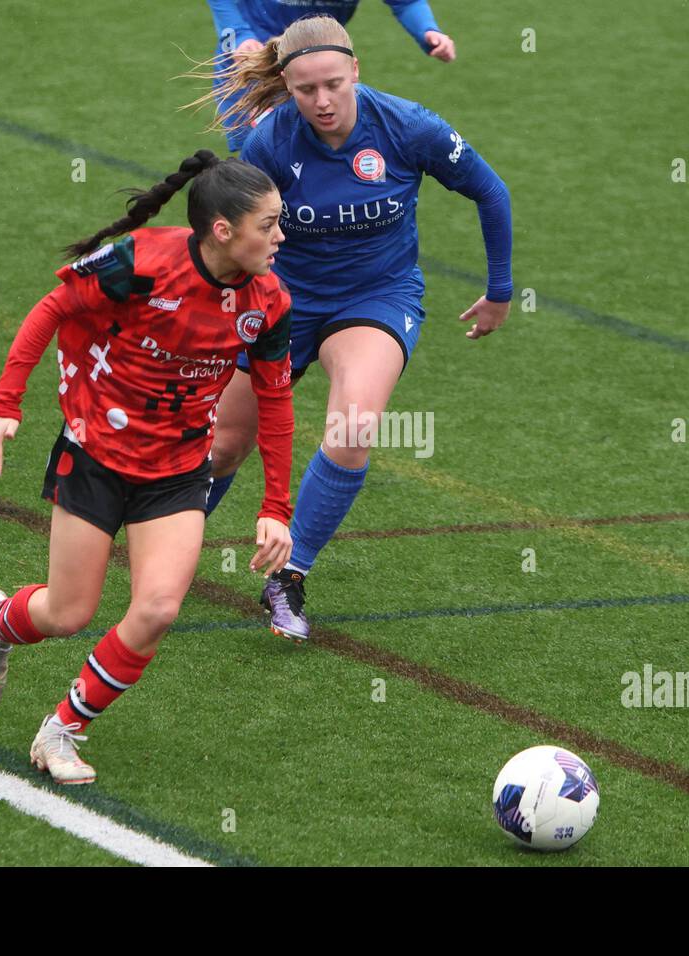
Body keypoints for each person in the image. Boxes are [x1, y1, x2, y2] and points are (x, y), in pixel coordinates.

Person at [0, 150, 295, 784]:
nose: (282, 236)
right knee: (67, 613)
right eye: (270, 224)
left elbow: (275, 402)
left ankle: (61, 731)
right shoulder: (142, 262)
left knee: (159, 609)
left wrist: (275, 507)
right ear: (222, 230)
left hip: (176, 471)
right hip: (96, 455)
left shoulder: (270, 302)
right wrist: (5, 404)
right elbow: (52, 309)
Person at [197, 15, 512, 642]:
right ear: (287, 86)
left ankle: (288, 576)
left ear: (356, 72)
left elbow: (491, 190)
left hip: (376, 297)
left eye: (333, 85)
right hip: (284, 301)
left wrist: (499, 290)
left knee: (352, 427)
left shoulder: (407, 126)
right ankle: (167, 539)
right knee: (224, 446)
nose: (322, 101)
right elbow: (234, 240)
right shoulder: (269, 146)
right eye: (306, 89)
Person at [204, 0, 456, 152]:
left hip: (321, 74)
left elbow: (405, 2)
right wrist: (238, 34)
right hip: (257, 66)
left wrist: (427, 30)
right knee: (261, 170)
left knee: (321, 160)